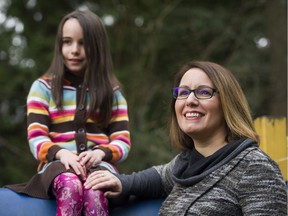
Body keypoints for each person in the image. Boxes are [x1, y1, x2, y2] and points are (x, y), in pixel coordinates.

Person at [84, 61, 287, 215]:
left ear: (228, 103)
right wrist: (121, 183)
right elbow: (157, 177)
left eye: (203, 92)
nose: (190, 100)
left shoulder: (255, 167)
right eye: (182, 93)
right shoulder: (186, 165)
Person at [5, 9, 131, 216]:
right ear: (59, 45)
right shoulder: (43, 88)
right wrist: (61, 153)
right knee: (71, 186)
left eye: (83, 43)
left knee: (94, 193)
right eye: (67, 42)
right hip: (57, 166)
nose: (74, 50)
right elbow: (36, 138)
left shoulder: (112, 93)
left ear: (97, 47)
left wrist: (100, 153)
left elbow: (122, 140)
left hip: (99, 168)